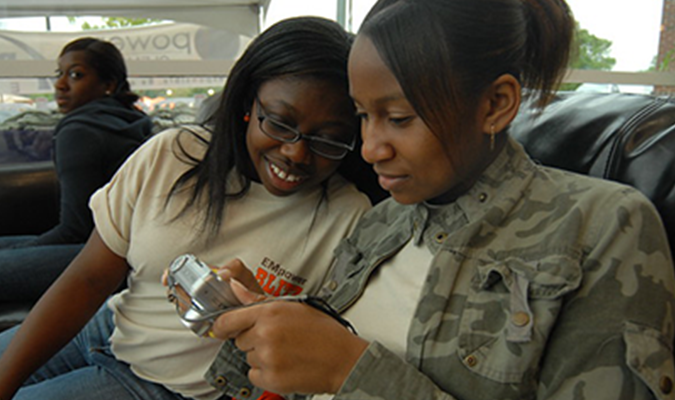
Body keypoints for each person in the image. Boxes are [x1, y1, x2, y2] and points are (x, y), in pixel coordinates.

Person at [204, 1, 675, 399]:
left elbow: (342, 362)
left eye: (399, 117)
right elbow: (325, 346)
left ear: (495, 105)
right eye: (364, 116)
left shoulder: (601, 227)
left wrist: (350, 372)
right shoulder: (382, 223)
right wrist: (265, 317)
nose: (370, 148)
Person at [0, 17, 379, 400]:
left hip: (167, 388)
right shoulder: (174, 154)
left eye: (328, 140)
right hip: (110, 326)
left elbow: (319, 351)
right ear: (248, 103)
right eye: (280, 123)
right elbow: (90, 278)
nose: (296, 153)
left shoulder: (349, 219)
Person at [0, 37, 152, 302]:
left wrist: (23, 250)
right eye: (60, 74)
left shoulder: (81, 131)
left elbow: (76, 230)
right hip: (140, 246)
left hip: (111, 257)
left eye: (75, 75)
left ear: (109, 85)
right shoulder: (131, 122)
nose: (60, 85)